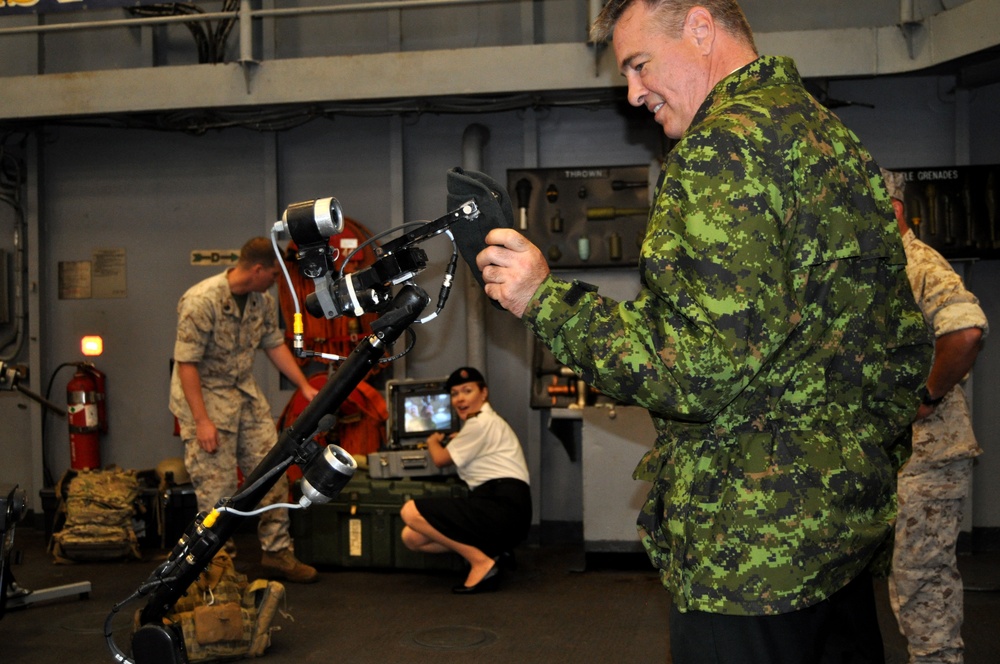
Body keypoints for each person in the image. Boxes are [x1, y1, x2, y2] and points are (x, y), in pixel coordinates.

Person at [474, 1, 933, 661]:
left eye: (638, 64)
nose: (633, 95)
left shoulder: (723, 147)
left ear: (699, 27)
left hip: (748, 556)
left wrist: (544, 298)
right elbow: (901, 348)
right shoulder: (832, 140)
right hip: (842, 537)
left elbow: (689, 367)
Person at [882, 169, 988, 664]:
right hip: (897, 457)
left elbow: (965, 331)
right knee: (903, 579)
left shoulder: (919, 265)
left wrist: (927, 394)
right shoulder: (878, 270)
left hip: (930, 455)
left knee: (921, 582)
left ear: (895, 210)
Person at [170, 237, 321, 583]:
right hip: (206, 402)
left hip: (244, 397)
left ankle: (277, 553)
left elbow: (273, 344)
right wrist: (202, 421)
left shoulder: (261, 301)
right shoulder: (201, 300)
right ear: (257, 269)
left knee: (274, 471)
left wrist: (304, 385)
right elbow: (186, 364)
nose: (275, 282)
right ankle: (218, 565)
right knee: (216, 490)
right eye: (273, 274)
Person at [399, 367, 531, 594]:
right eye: (454, 394)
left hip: (502, 505)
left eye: (467, 391)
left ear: (483, 393)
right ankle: (491, 550)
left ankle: (481, 562)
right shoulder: (486, 422)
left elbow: (440, 459)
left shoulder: (479, 423)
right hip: (504, 508)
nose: (459, 399)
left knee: (410, 512)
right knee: (411, 537)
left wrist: (432, 441)